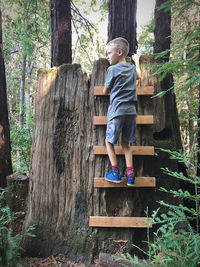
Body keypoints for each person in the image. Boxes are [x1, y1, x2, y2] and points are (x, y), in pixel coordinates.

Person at [103, 37, 141, 186]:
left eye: (109, 53)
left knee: (109, 141)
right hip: (131, 112)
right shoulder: (131, 68)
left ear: (119, 52)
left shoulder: (111, 70)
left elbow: (106, 91)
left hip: (117, 111)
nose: (107, 56)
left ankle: (115, 172)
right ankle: (130, 175)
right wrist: (136, 61)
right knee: (126, 144)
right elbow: (139, 75)